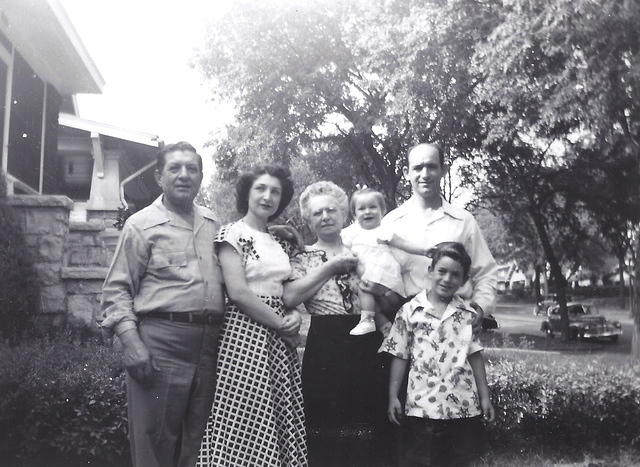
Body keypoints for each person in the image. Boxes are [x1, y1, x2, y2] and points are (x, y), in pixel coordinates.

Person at [197, 166, 356, 467]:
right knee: (246, 415)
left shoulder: (279, 241)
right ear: (247, 193)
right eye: (260, 189)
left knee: (277, 414)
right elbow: (239, 292)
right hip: (245, 333)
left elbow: (286, 288)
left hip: (278, 338)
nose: (267, 196)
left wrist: (293, 312)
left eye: (275, 192)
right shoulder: (232, 233)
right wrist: (281, 322)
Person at [99, 142, 224, 467]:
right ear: (159, 176)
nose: (184, 175)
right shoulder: (140, 224)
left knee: (201, 445)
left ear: (200, 176)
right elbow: (116, 290)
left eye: (192, 168)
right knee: (154, 445)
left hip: (210, 348)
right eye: (175, 168)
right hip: (161, 344)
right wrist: (131, 342)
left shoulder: (213, 223)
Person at [291, 181, 392, 466]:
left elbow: (387, 297)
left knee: (368, 419)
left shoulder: (363, 251)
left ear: (344, 213)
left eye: (331, 210)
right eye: (317, 213)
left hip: (367, 337)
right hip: (327, 342)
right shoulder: (302, 257)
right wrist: (329, 268)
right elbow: (291, 296)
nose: (325, 217)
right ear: (308, 220)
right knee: (328, 425)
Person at [380, 242, 495, 467]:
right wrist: (393, 395)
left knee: (458, 461)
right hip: (421, 408)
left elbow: (475, 355)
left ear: (463, 281)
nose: (447, 279)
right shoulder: (410, 311)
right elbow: (400, 355)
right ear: (430, 271)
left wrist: (484, 396)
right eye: (442, 271)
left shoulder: (467, 314)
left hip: (461, 407)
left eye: (455, 275)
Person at [374, 143, 498, 323]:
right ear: (406, 172)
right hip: (405, 325)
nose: (424, 174)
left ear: (443, 170)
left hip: (456, 324)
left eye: (431, 166)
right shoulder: (390, 224)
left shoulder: (464, 221)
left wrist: (478, 309)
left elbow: (486, 273)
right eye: (417, 167)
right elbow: (378, 277)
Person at [342, 187, 432, 336]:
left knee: (363, 289)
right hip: (368, 273)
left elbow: (404, 244)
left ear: (382, 210)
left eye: (372, 207)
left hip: (384, 273)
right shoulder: (352, 232)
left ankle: (367, 320)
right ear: (355, 213)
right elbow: (342, 250)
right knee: (366, 297)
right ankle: (384, 326)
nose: (367, 212)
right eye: (361, 209)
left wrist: (423, 250)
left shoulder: (384, 230)